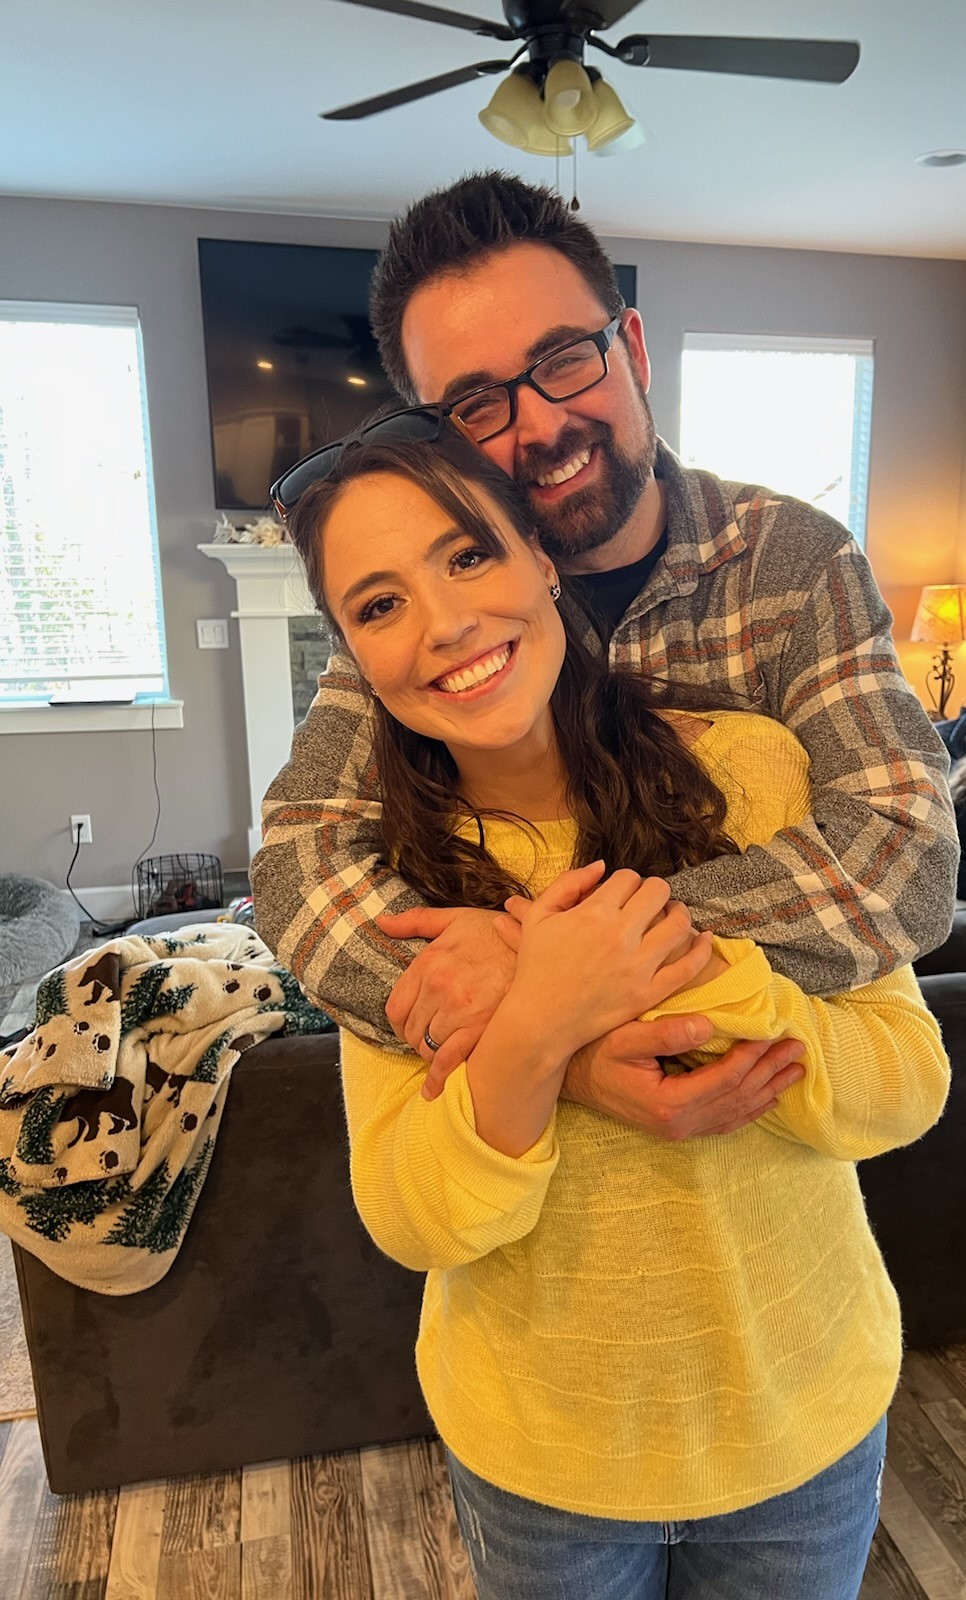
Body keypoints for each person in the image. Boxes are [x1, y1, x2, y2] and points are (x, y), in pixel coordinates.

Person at [276, 418, 949, 1598]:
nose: (443, 623)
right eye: (377, 605)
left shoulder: (754, 770)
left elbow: (907, 1080)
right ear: (350, 660)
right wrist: (545, 1034)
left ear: (545, 562)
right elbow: (416, 1216)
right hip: (543, 1466)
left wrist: (675, 968)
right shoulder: (381, 885)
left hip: (807, 1422)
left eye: (468, 556)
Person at [252, 170, 956, 1141]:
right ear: (434, 443)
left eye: (565, 360)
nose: (540, 424)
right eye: (476, 407)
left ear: (630, 349)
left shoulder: (794, 560)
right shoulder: (438, 610)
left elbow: (904, 853)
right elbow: (299, 858)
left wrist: (562, 965)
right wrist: (555, 1048)